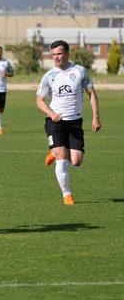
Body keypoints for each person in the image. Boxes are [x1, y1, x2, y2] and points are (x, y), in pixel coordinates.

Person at [36, 40, 101, 205]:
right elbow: (39, 101)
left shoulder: (79, 71)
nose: (56, 58)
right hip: (55, 122)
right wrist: (51, 114)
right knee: (61, 158)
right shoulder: (49, 75)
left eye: (59, 54)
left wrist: (95, 117)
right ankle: (67, 194)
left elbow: (91, 94)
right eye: (53, 55)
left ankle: (55, 153)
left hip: (75, 122)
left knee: (76, 162)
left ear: (66, 53)